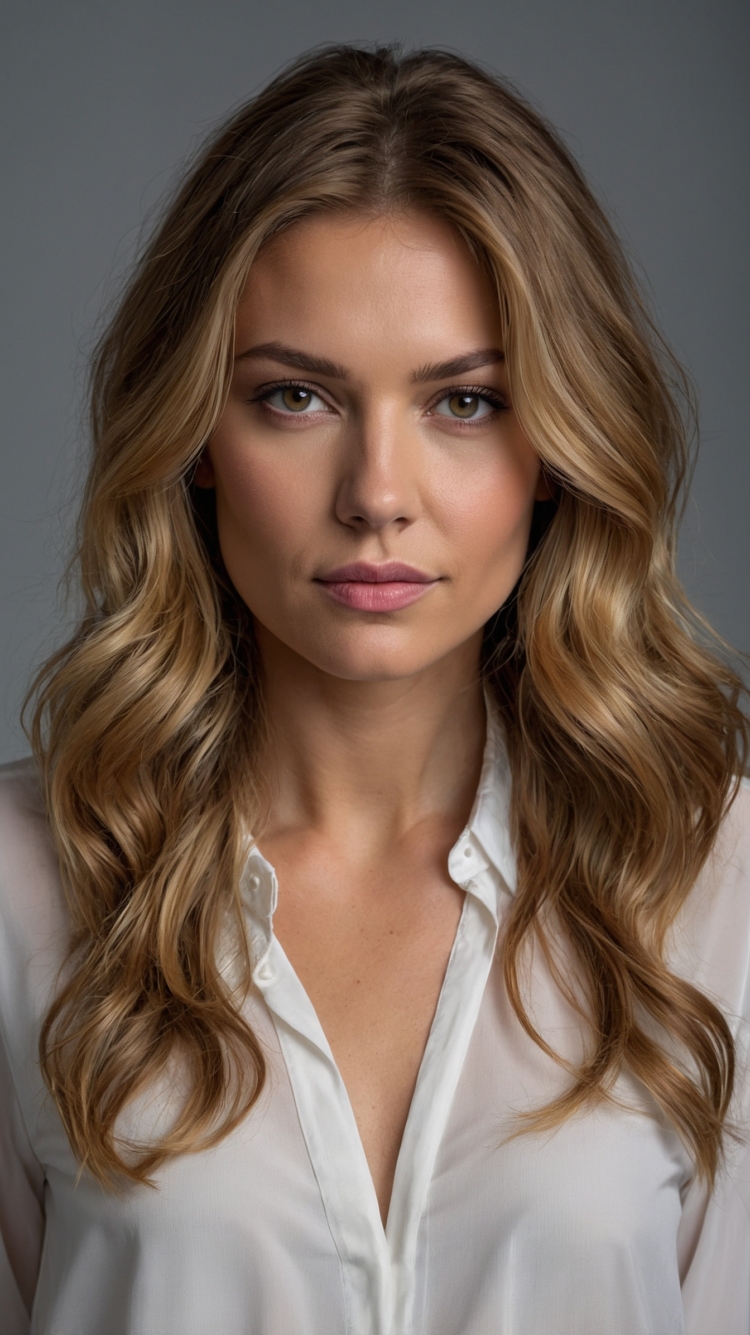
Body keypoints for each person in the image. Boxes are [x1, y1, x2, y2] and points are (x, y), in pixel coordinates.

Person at [0, 43, 747, 1335]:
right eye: (294, 398)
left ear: (556, 449)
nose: (377, 495)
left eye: (464, 402)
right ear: (192, 439)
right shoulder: (20, 887)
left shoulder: (718, 880)